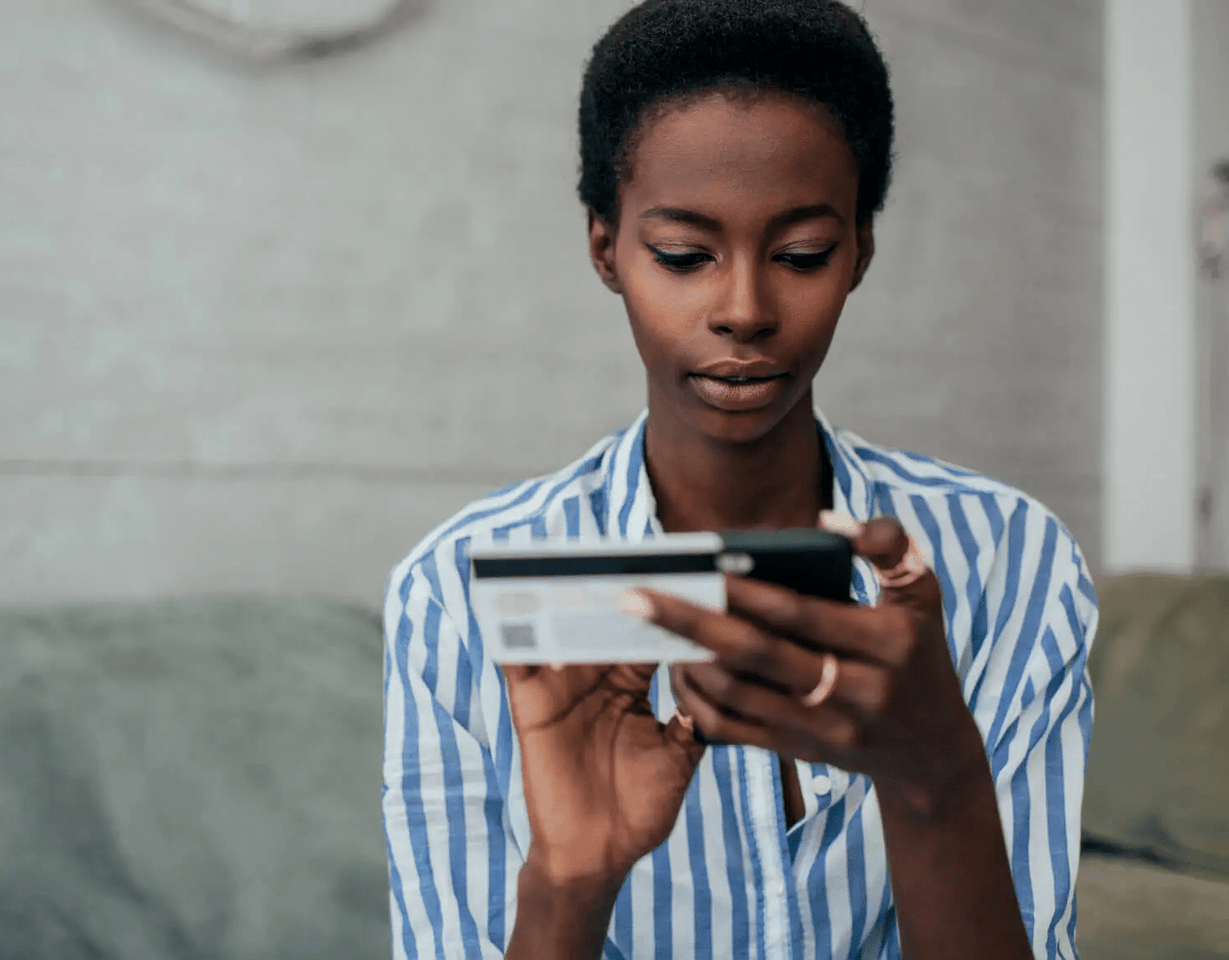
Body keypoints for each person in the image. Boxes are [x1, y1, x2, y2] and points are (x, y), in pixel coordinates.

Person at [381, 1, 1097, 957]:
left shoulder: (1016, 567)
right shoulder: (452, 596)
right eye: (683, 256)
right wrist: (567, 887)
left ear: (861, 250)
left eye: (803, 254)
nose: (746, 309)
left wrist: (937, 779)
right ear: (606, 249)